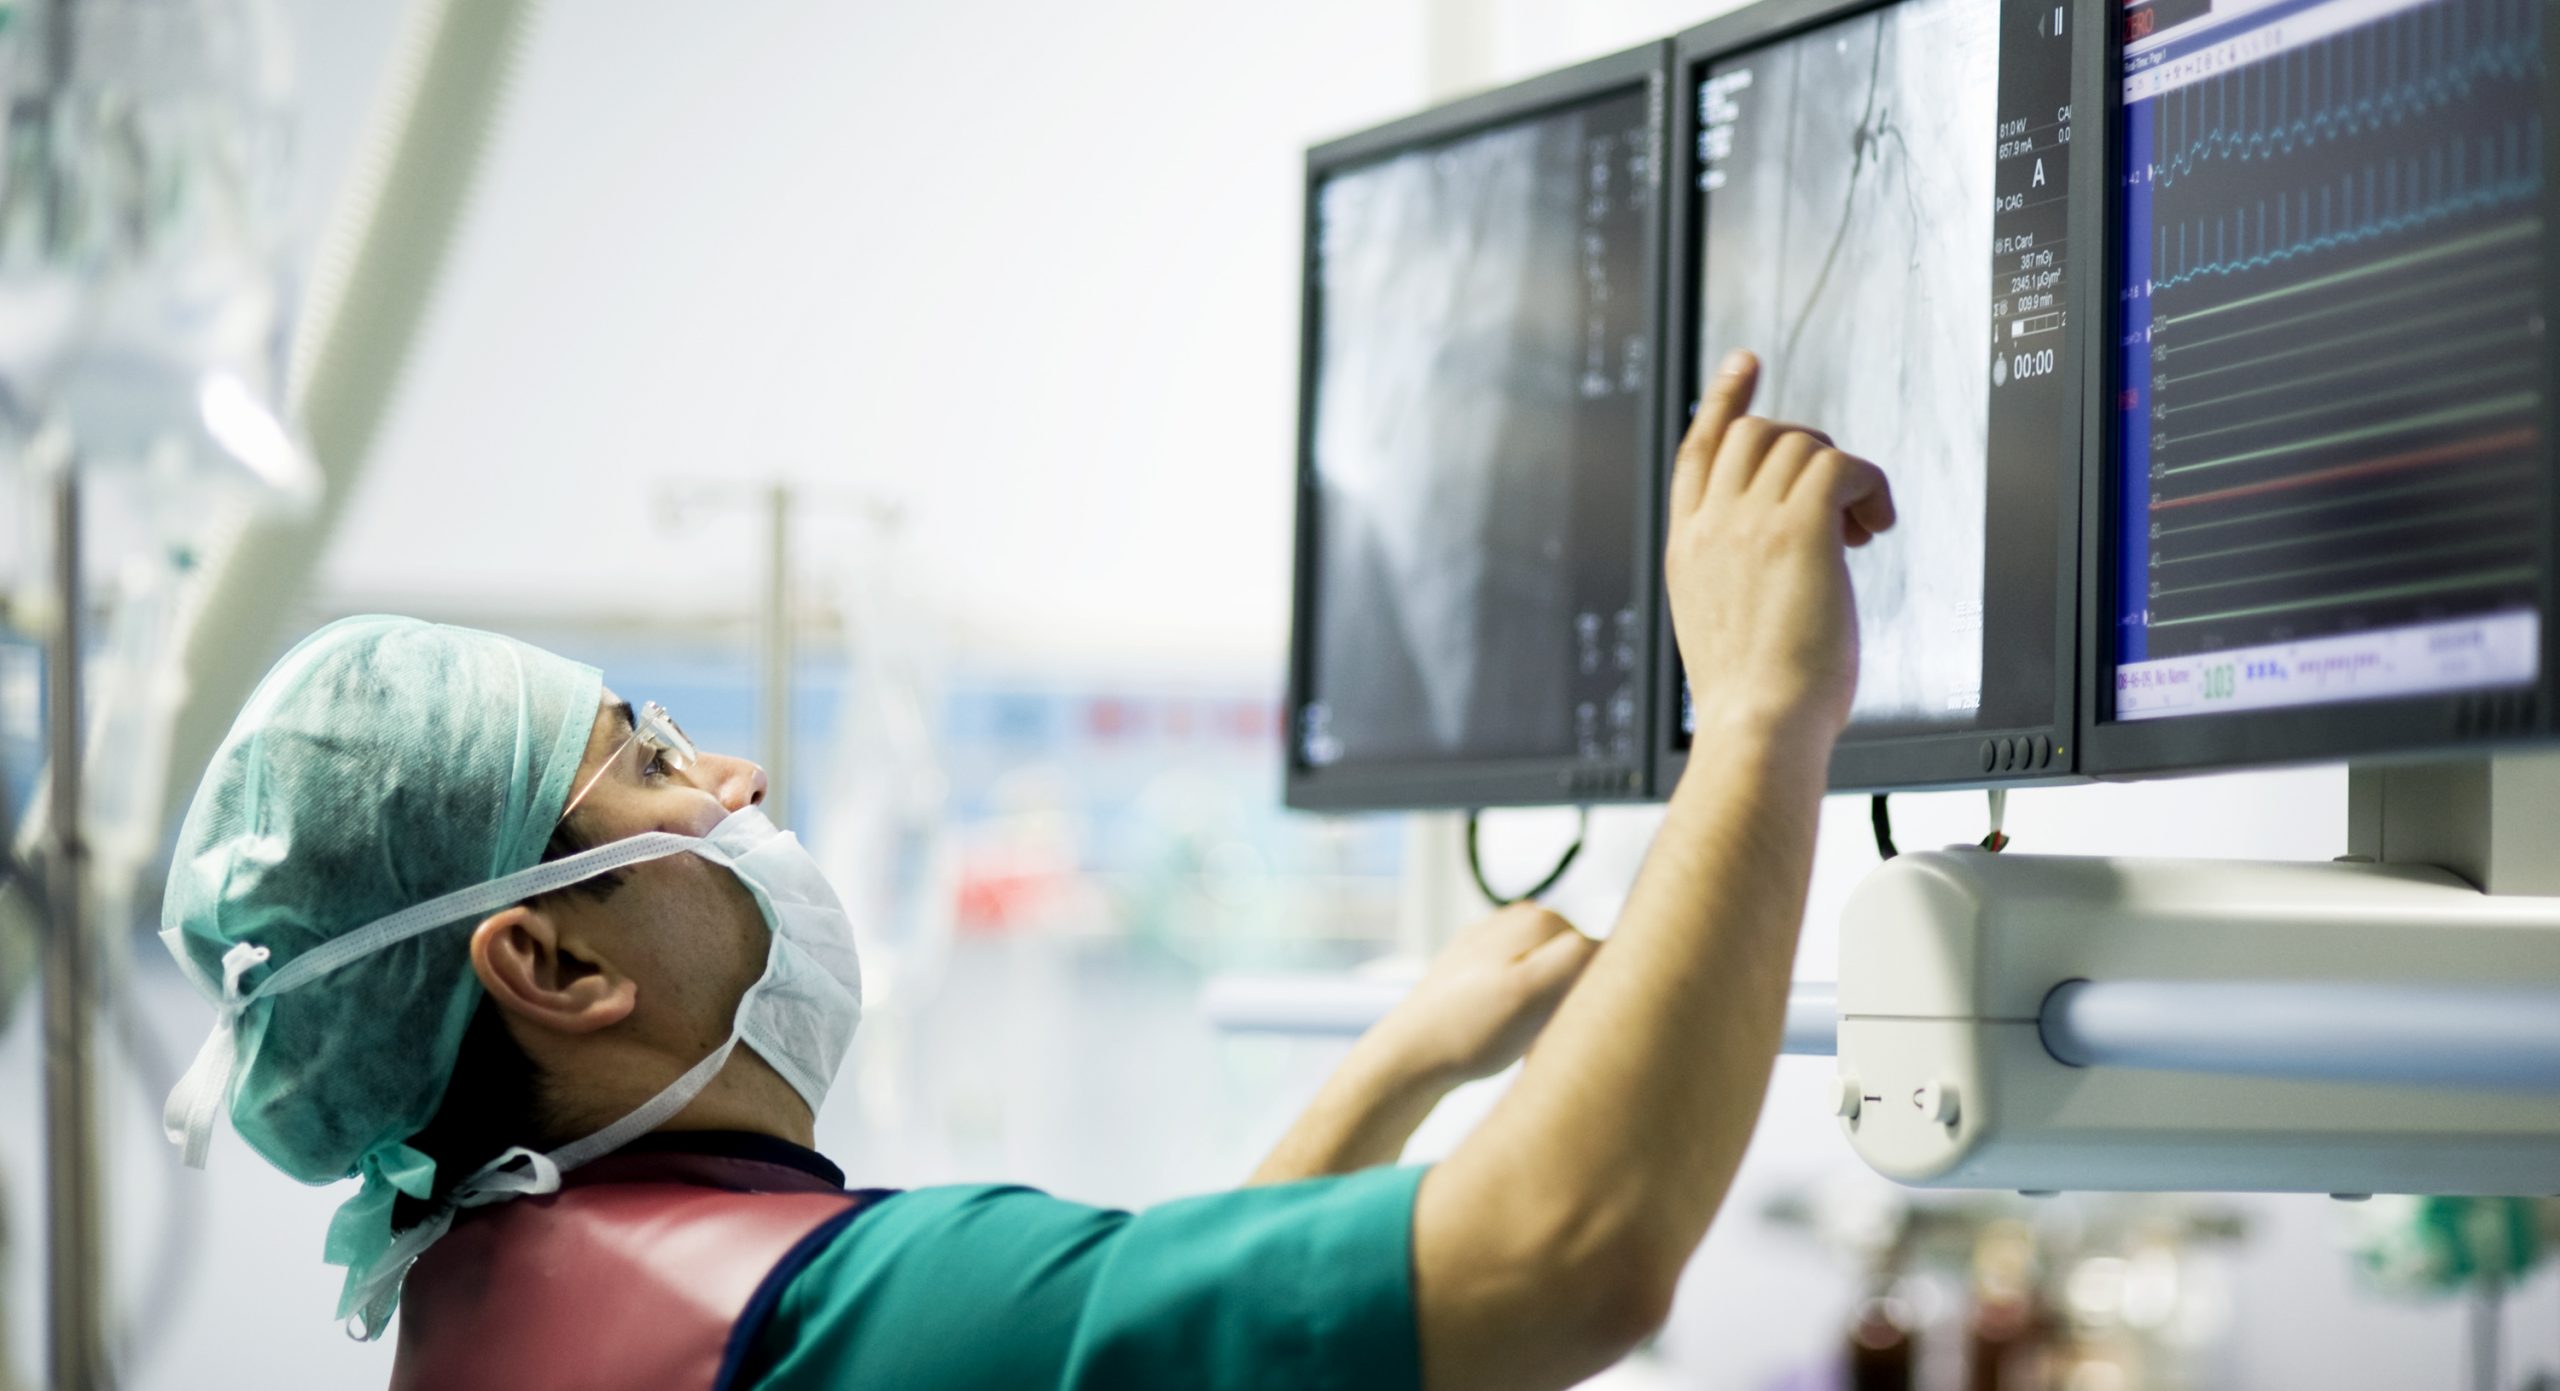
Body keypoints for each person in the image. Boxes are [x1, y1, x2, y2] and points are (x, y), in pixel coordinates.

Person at [158, 349, 1892, 1391]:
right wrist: (1757, 714)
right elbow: (1572, 1255)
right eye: (659, 767)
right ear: (547, 967)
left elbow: (1146, 1346)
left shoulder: (505, 1284)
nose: (742, 776)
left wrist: (1401, 1063)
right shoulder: (829, 1319)